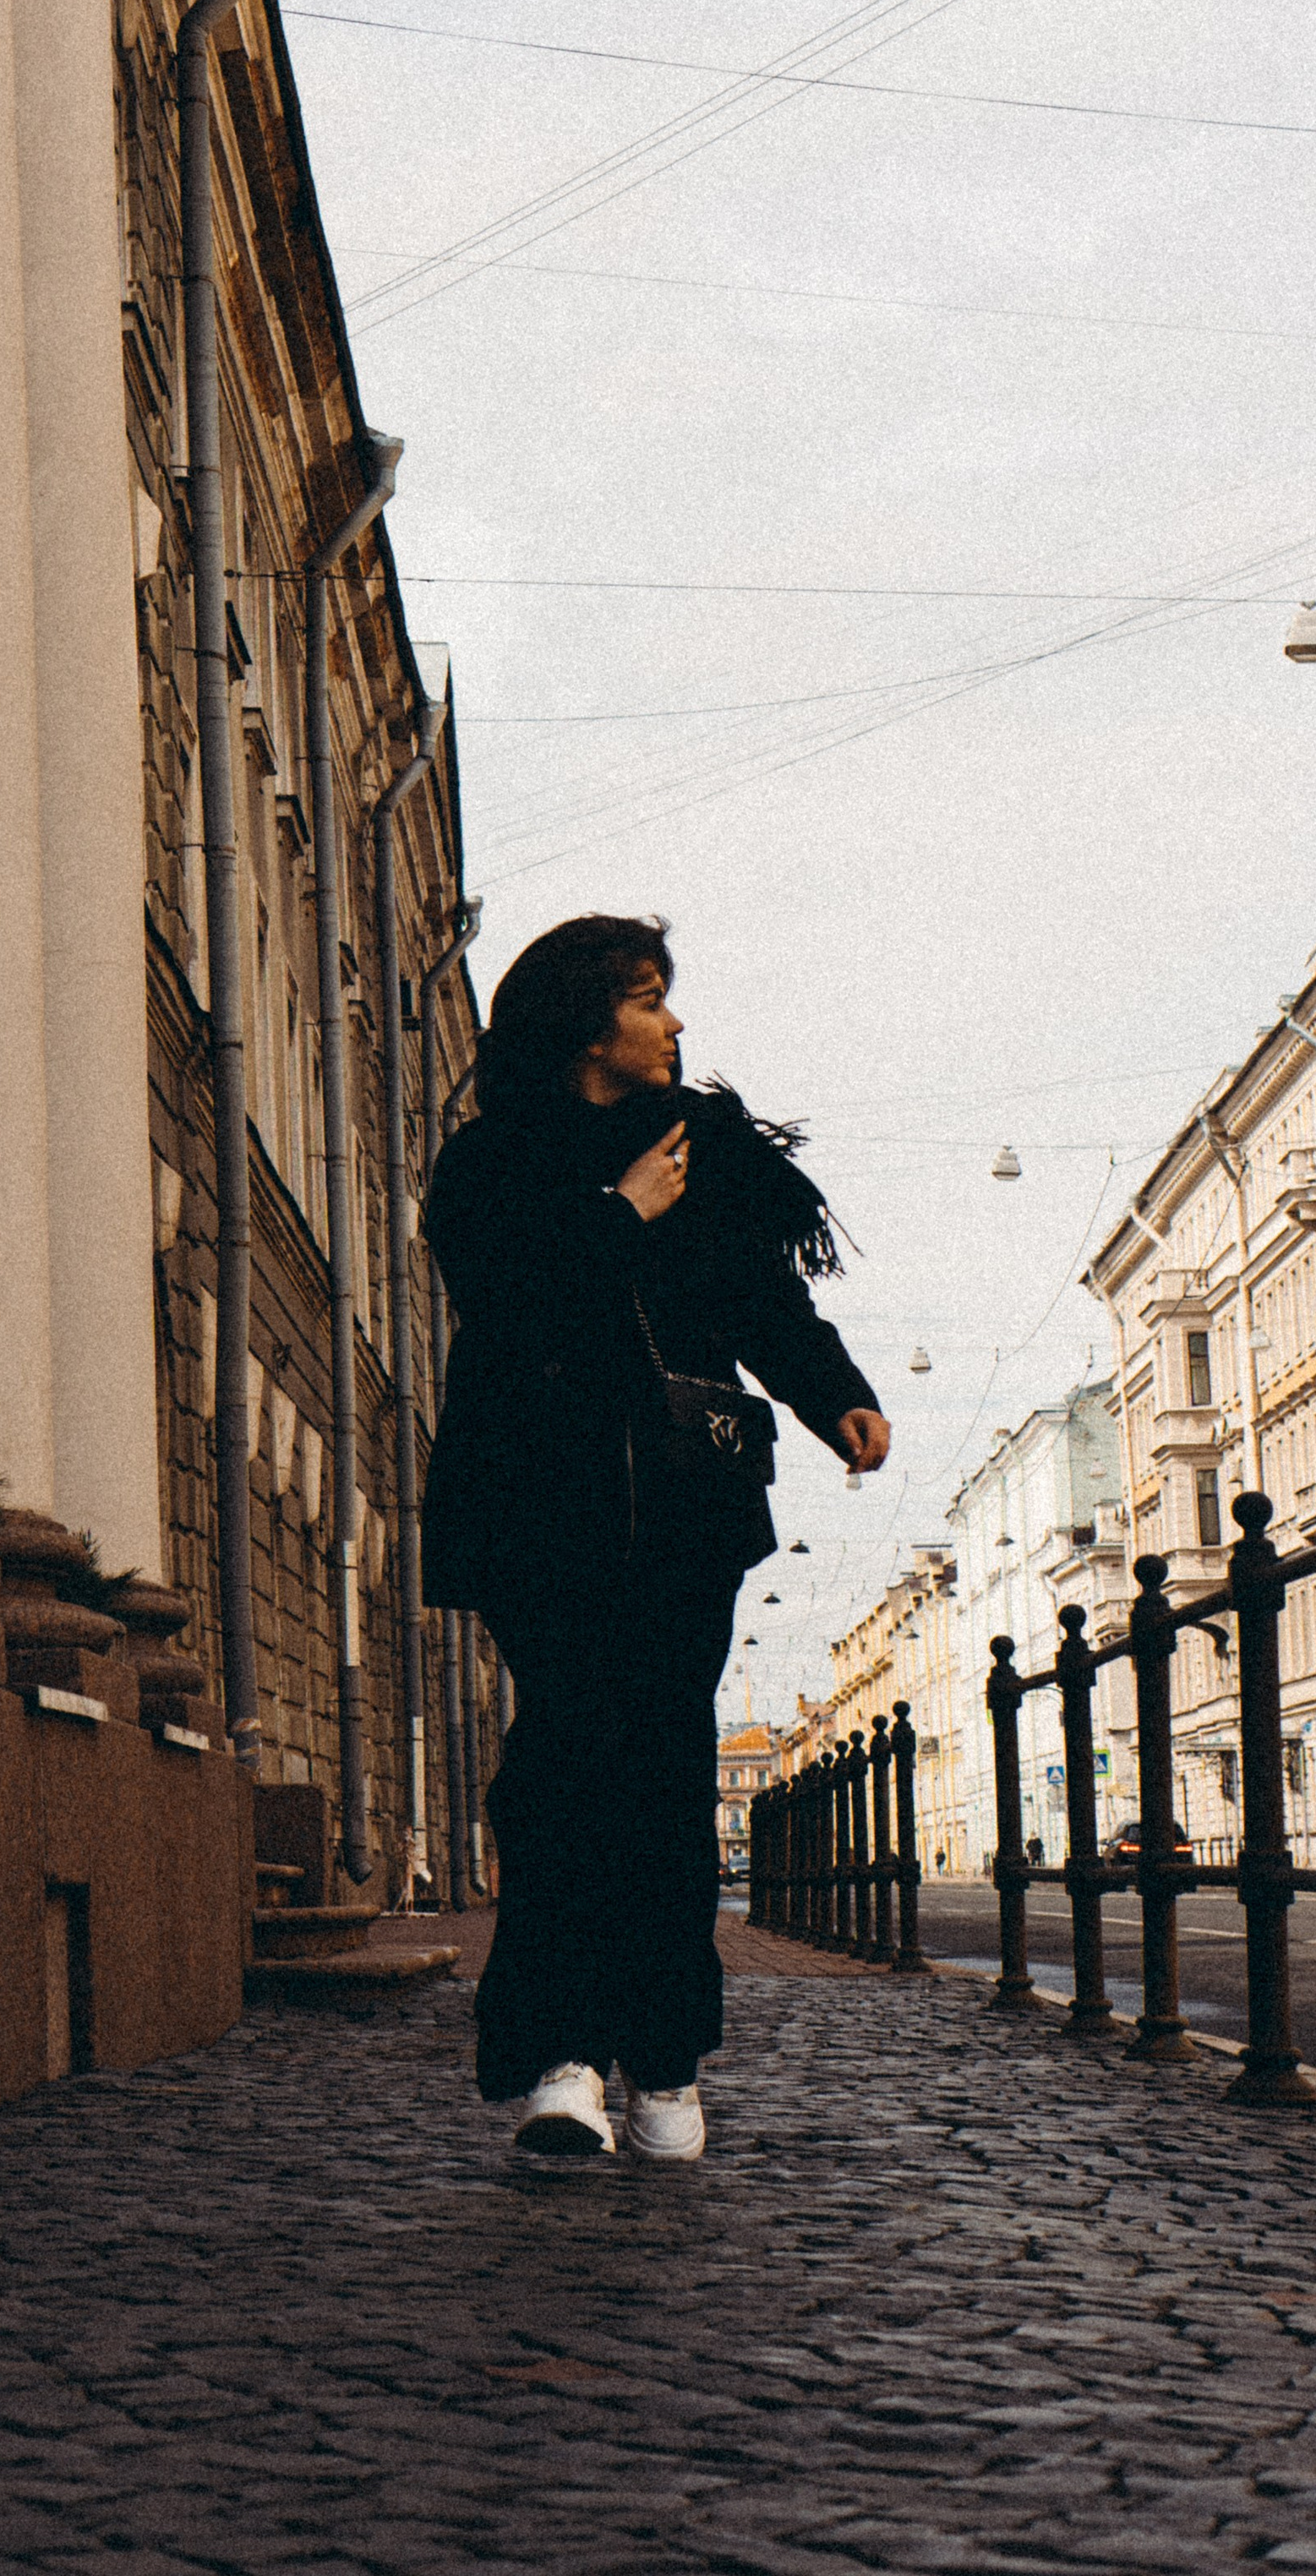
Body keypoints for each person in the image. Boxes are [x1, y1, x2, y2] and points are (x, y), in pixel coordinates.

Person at [422, 914, 887, 2163]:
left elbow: (763, 1298)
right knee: (567, 1763)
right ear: (586, 1022)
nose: (676, 1023)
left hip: (684, 1506)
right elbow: (503, 1305)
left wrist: (835, 1392)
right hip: (540, 1501)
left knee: (668, 1772)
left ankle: (668, 2063)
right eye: (649, 1000)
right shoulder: (488, 1164)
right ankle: (562, 2063)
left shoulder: (708, 1153)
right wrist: (620, 1214)